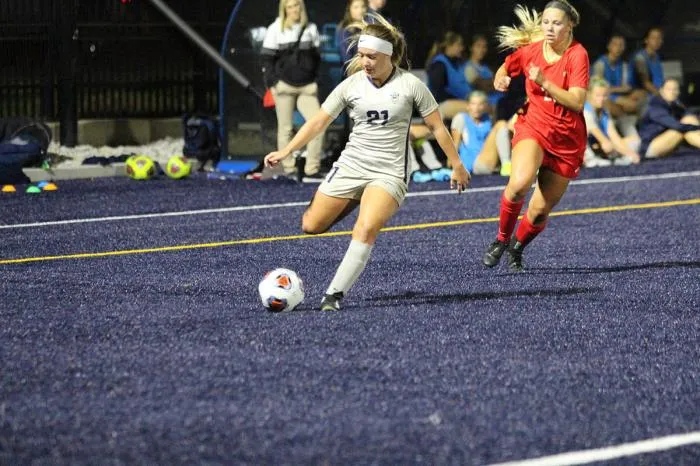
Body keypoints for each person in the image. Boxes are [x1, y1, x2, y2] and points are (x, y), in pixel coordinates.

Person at [263, 15, 470, 311]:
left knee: (364, 229)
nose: (365, 61)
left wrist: (457, 164)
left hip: (389, 172)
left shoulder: (411, 85)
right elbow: (319, 121)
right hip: (352, 165)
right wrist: (287, 151)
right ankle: (358, 198)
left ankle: (333, 296)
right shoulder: (352, 85)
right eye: (361, 55)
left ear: (389, 54)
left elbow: (438, 127)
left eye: (371, 56)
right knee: (310, 225)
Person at [482, 1, 589, 272]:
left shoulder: (577, 55)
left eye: (557, 23)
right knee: (518, 184)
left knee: (540, 211)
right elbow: (506, 67)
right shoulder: (531, 52)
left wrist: (544, 82)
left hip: (566, 140)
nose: (550, 28)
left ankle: (517, 248)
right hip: (534, 126)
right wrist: (501, 78)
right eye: (546, 22)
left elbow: (576, 103)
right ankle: (501, 240)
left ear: (570, 26)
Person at [261, 0, 325, 181]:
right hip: (284, 86)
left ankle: (311, 170)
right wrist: (273, 83)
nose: (294, 9)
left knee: (318, 126)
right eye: (290, 6)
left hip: (307, 86)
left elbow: (318, 58)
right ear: (284, 9)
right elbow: (266, 59)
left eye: (297, 5)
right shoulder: (275, 29)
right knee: (285, 129)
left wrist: (316, 80)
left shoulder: (311, 28)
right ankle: (289, 169)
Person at [450, 90, 511, 175]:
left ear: (485, 106)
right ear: (468, 106)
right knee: (501, 124)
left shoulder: (489, 119)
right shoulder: (461, 118)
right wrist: (453, 166)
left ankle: (511, 164)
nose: (476, 108)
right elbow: (454, 145)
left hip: (489, 160)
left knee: (508, 127)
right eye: (473, 104)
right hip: (474, 164)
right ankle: (507, 164)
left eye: (480, 104)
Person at [583, 78, 641, 167]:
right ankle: (590, 159)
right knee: (607, 146)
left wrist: (630, 153)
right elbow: (604, 141)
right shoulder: (586, 112)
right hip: (580, 147)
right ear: (589, 95)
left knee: (635, 140)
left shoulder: (605, 112)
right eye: (597, 95)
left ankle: (612, 157)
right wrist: (628, 153)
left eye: (604, 95)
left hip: (598, 145)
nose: (601, 99)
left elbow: (614, 137)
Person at [638, 78, 700, 158]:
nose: (673, 92)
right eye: (669, 89)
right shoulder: (655, 106)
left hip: (665, 140)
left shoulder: (675, 105)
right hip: (649, 146)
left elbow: (689, 116)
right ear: (661, 91)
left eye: (675, 89)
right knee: (681, 130)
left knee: (688, 119)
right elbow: (677, 126)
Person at [590, 34, 644, 118]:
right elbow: (597, 87)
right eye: (615, 44)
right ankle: (623, 117)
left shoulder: (624, 65)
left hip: (619, 94)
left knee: (641, 94)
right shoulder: (600, 64)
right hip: (605, 96)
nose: (618, 48)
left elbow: (627, 87)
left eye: (621, 45)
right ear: (609, 46)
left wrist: (613, 89)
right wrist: (615, 90)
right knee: (631, 105)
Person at [425, 31, 472, 120]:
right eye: (459, 45)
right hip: (440, 106)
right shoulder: (439, 64)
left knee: (483, 106)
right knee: (475, 109)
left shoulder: (456, 63)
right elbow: (437, 93)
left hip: (459, 102)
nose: (461, 48)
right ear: (449, 46)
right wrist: (459, 99)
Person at [464, 34, 504, 112]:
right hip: (485, 104)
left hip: (499, 99)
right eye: (478, 46)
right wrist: (496, 82)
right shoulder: (469, 67)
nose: (482, 50)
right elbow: (483, 86)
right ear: (471, 48)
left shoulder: (486, 67)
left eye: (484, 47)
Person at [628, 27, 665, 97]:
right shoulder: (640, 58)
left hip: (657, 94)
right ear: (646, 40)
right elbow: (645, 83)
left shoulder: (656, 56)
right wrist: (664, 96)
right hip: (643, 96)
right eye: (653, 38)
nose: (657, 41)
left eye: (659, 38)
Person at [337, 0, 368, 76]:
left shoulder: (369, 26)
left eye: (363, 6)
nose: (360, 10)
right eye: (356, 7)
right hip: (352, 75)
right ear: (349, 9)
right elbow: (346, 59)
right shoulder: (345, 29)